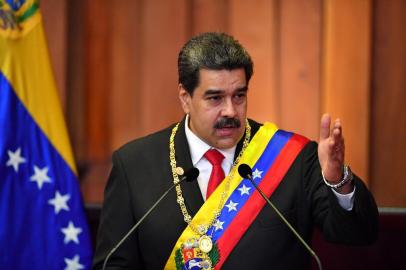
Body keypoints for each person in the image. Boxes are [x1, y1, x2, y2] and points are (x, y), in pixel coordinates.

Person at [92, 32, 378, 270]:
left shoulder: (292, 158)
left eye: (239, 96)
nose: (230, 111)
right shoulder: (134, 165)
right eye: (215, 98)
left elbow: (357, 233)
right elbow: (114, 265)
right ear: (185, 98)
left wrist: (338, 180)